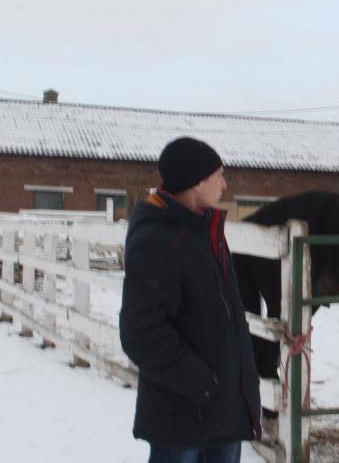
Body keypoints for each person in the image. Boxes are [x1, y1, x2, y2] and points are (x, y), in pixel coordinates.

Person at [120, 136, 261, 463]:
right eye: (219, 176)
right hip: (184, 416)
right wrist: (203, 385)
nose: (224, 185)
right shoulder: (158, 240)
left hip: (221, 413)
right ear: (197, 181)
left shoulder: (205, 232)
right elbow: (141, 333)